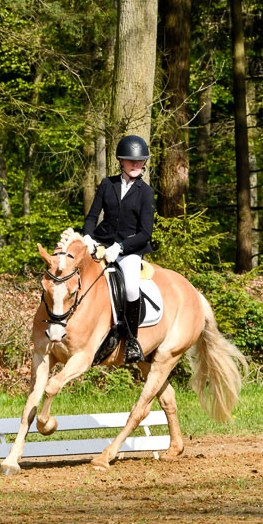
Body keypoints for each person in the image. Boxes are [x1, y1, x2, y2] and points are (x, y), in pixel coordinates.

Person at [83, 135, 155, 364]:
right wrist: (87, 237)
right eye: (130, 161)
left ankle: (132, 341)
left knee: (132, 289)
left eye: (140, 161)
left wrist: (121, 247)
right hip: (102, 244)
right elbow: (92, 216)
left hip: (130, 250)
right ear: (121, 162)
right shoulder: (108, 184)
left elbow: (145, 233)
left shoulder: (146, 192)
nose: (136, 165)